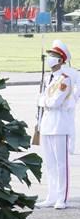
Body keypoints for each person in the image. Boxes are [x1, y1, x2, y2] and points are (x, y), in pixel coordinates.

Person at [36, 41, 75, 209]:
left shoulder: (64, 80)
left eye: (53, 56)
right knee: (50, 164)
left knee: (61, 164)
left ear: (60, 60)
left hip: (59, 124)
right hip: (47, 124)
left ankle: (62, 198)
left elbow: (54, 102)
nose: (49, 59)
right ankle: (51, 196)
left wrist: (42, 101)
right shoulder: (48, 78)